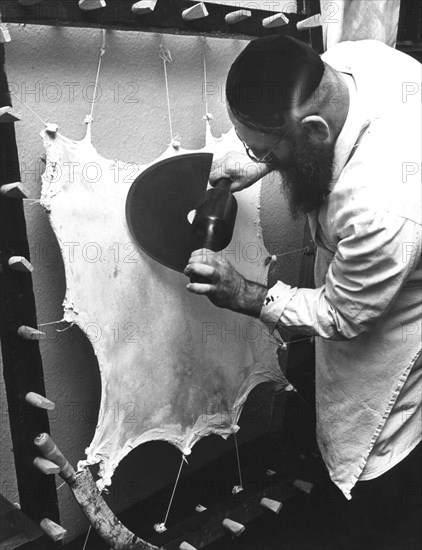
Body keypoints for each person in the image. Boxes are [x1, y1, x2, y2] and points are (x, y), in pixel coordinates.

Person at [184, 35, 421, 549]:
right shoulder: (354, 63)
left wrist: (248, 295)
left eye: (265, 148)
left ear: (314, 132)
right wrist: (252, 156)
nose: (258, 158)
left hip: (398, 320)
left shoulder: (382, 205)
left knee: (380, 466)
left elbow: (343, 315)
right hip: (376, 249)